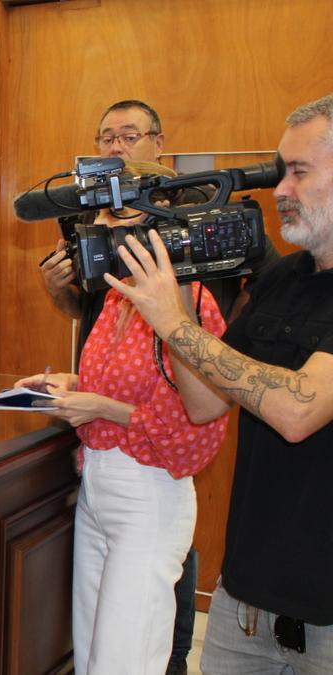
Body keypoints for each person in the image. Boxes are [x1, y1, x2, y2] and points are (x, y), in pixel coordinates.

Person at [107, 94, 333, 673]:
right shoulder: (283, 277)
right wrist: (178, 278)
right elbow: (204, 402)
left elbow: (297, 408)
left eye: (300, 173)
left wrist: (173, 323)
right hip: (245, 606)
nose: (280, 189)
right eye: (280, 173)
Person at [37, 99, 258, 673]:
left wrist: (101, 404)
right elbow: (133, 386)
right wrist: (71, 385)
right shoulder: (113, 300)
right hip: (99, 492)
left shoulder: (192, 305)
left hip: (148, 498)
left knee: (124, 661)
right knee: (91, 658)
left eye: (113, 222)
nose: (100, 235)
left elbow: (197, 431)